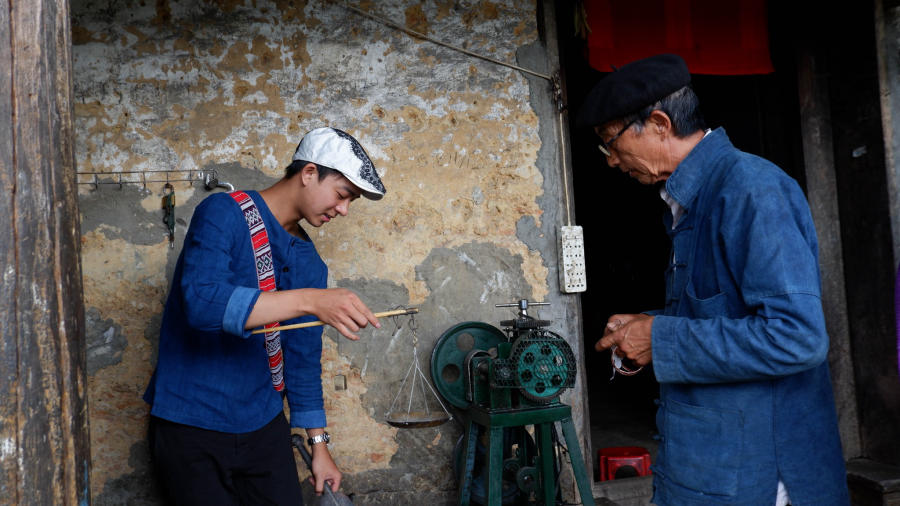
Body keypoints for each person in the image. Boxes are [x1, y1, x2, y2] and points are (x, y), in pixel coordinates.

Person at [577, 54, 849, 505]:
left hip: (760, 472)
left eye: (611, 142)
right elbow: (723, 313)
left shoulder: (750, 189)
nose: (610, 161)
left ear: (660, 123)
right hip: (712, 461)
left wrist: (660, 339)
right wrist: (646, 326)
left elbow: (796, 337)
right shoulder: (693, 199)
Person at [143, 127, 386, 505]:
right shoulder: (223, 213)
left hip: (263, 423)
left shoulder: (310, 263)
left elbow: (302, 362)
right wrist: (309, 301)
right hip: (190, 423)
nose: (344, 210)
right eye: (342, 195)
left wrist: (319, 446)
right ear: (308, 173)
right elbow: (202, 303)